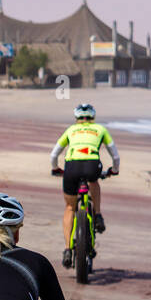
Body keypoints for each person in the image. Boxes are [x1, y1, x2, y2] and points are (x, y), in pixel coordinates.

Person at [50, 103, 120, 268]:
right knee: (94, 181)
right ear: (93, 117)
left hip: (71, 167)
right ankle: (97, 215)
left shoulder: (70, 130)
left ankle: (67, 249)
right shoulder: (100, 129)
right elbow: (115, 156)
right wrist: (114, 170)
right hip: (91, 165)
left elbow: (54, 154)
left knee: (69, 208)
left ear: (77, 118)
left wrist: (55, 168)